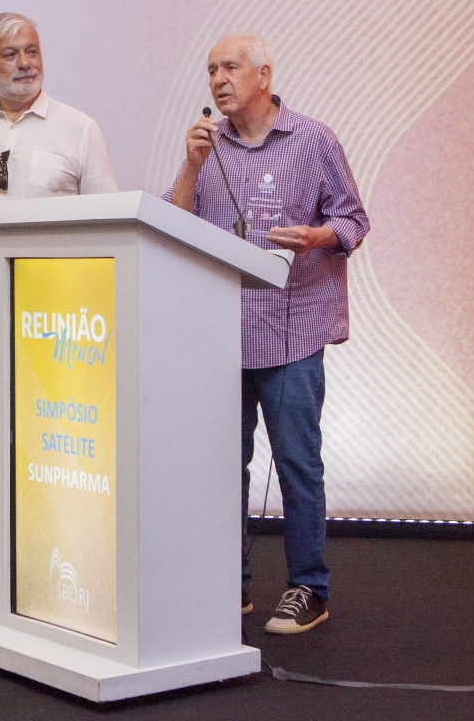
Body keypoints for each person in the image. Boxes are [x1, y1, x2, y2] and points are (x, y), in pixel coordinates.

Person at [168, 33, 368, 635]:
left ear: (263, 75)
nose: (218, 79)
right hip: (222, 335)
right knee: (222, 467)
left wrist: (314, 237)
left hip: (292, 333)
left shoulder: (313, 139)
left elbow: (353, 220)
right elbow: (173, 224)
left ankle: (309, 587)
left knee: (297, 464)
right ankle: (230, 586)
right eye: (211, 70)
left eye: (230, 67)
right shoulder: (208, 147)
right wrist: (191, 165)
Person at [0, 12, 117, 584]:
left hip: (54, 296)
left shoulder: (78, 128)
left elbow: (107, 216)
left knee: (56, 425)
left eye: (32, 50)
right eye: (10, 55)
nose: (25, 63)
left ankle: (59, 548)